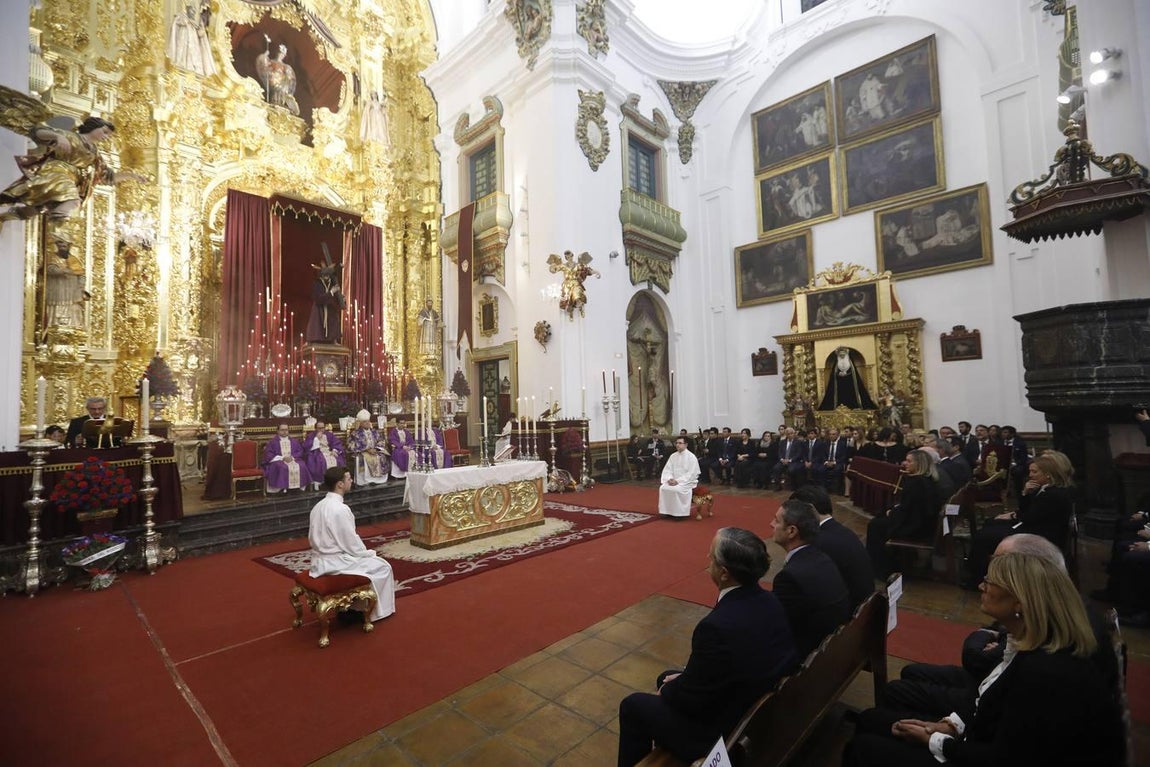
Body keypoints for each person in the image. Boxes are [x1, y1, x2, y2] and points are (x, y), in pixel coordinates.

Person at [845, 551, 1125, 767]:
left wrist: (936, 739)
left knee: (863, 747)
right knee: (871, 719)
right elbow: (992, 705)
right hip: (982, 737)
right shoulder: (1039, 641)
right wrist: (951, 725)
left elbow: (1004, 759)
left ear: (1020, 603)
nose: (981, 586)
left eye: (990, 582)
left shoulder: (1046, 672)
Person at [617, 527, 798, 766]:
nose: (707, 560)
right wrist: (680, 680)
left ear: (724, 573)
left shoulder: (716, 627)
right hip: (756, 703)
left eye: (711, 556)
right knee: (667, 677)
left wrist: (671, 690)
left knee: (633, 706)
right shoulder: (770, 600)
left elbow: (694, 699)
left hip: (721, 729)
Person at [0, 113, 146, 250]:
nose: (106, 137)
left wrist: (132, 176)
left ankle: (4, 217)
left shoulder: (94, 154)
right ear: (94, 126)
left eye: (109, 135)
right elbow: (37, 132)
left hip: (69, 179)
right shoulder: (71, 137)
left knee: (35, 209)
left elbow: (109, 177)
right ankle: (57, 230)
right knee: (72, 200)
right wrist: (56, 135)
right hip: (56, 172)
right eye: (105, 131)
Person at [963, 450, 1075, 588]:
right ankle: (981, 570)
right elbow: (1028, 512)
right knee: (990, 524)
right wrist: (1025, 493)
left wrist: (1014, 514)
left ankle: (977, 578)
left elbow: (1029, 516)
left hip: (1040, 535)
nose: (1030, 475)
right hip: (1034, 527)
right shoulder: (1047, 489)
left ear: (1047, 474)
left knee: (983, 537)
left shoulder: (1053, 494)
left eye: (1034, 472)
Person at [307, 466, 396, 623]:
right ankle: (373, 612)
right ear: (340, 484)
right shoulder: (339, 509)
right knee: (383, 567)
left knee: (373, 564)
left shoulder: (318, 506)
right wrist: (367, 553)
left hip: (319, 560)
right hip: (335, 562)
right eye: (349, 478)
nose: (351, 481)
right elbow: (350, 542)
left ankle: (352, 607)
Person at [770, 499, 852, 657]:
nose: (771, 524)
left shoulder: (789, 577)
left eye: (776, 520)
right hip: (833, 644)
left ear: (791, 531)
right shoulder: (821, 557)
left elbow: (776, 625)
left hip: (810, 656)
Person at [790, 485, 875, 610]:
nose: (791, 518)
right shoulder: (840, 531)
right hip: (864, 607)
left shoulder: (818, 541)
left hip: (848, 611)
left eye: (793, 511)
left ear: (810, 509)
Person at [866, 449, 942, 578]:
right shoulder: (925, 479)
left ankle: (881, 569)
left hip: (917, 528)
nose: (905, 463)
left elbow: (909, 511)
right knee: (881, 519)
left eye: (909, 461)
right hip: (924, 523)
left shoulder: (917, 483)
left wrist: (892, 513)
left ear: (919, 464)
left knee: (875, 525)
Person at [305, 252, 345, 344]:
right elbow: (318, 299)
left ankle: (334, 339)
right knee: (316, 324)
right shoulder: (317, 284)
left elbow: (336, 298)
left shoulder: (332, 282)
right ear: (321, 275)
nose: (326, 277)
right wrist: (331, 292)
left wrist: (341, 299)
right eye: (324, 275)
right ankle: (313, 340)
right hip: (319, 309)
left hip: (330, 307)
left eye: (328, 275)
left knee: (333, 321)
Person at [547, 250, 600, 318]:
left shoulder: (578, 265)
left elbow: (587, 270)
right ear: (566, 258)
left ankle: (580, 305)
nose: (570, 258)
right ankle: (570, 309)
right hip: (567, 284)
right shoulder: (563, 266)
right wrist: (552, 267)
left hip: (575, 282)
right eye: (568, 257)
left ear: (572, 256)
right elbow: (553, 270)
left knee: (577, 292)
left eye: (571, 256)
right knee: (567, 296)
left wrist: (596, 272)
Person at [167, 3, 216, 77]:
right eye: (191, 10)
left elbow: (200, 34)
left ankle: (193, 68)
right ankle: (182, 65)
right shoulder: (182, 16)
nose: (193, 12)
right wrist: (188, 21)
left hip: (194, 42)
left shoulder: (196, 23)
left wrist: (201, 28)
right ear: (187, 10)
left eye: (194, 11)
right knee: (184, 51)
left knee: (193, 54)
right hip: (184, 37)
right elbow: (179, 22)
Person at [657, 436, 700, 519]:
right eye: (676, 443)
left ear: (686, 444)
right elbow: (668, 469)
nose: (677, 445)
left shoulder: (691, 457)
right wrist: (669, 479)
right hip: (673, 481)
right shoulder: (673, 456)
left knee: (677, 489)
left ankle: (680, 514)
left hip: (686, 482)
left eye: (680, 443)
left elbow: (691, 474)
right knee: (663, 488)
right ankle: (667, 512)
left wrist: (678, 481)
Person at [263, 423, 311, 493]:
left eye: (286, 430)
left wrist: (292, 457)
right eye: (282, 430)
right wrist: (282, 458)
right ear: (278, 431)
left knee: (302, 465)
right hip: (278, 460)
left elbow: (300, 451)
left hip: (293, 459)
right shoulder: (272, 442)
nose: (285, 431)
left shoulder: (294, 441)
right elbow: (269, 454)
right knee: (282, 467)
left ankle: (297, 488)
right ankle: (281, 488)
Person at [255, 40, 300, 115]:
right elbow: (265, 67)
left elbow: (290, 77)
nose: (281, 55)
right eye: (280, 53)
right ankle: (274, 102)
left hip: (283, 83)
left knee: (282, 93)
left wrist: (288, 76)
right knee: (275, 94)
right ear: (277, 53)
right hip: (274, 81)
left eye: (283, 54)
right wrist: (265, 55)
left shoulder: (286, 66)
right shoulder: (272, 62)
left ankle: (281, 103)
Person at [348, 410, 388, 486]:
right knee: (365, 459)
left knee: (381, 456)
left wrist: (376, 449)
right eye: (365, 422)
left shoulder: (375, 431)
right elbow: (351, 445)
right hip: (363, 452)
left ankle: (379, 479)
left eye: (368, 421)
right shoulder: (355, 433)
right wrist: (366, 449)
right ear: (360, 423)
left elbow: (382, 441)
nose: (367, 423)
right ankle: (365, 480)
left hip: (375, 451)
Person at [304, 420, 344, 489]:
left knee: (338, 459)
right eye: (319, 428)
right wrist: (316, 439)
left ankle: (336, 481)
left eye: (322, 428)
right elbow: (307, 446)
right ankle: (322, 482)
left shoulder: (329, 434)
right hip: (317, 452)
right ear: (315, 428)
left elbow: (336, 443)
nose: (321, 430)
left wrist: (334, 450)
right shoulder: (311, 436)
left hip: (329, 452)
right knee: (320, 461)